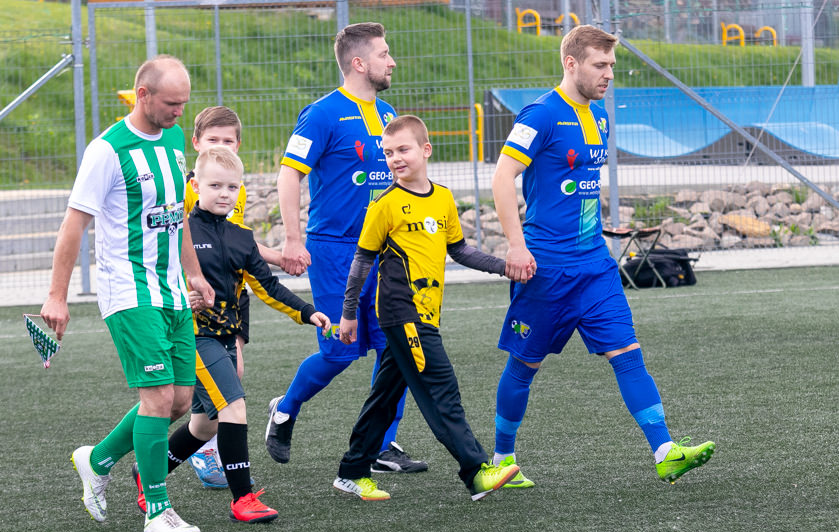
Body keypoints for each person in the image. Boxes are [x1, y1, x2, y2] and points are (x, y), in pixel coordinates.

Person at [490, 25, 715, 488]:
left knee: (628, 354)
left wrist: (600, 225)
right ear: (571, 63)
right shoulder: (541, 114)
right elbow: (502, 178)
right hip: (546, 269)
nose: (609, 73)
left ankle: (665, 451)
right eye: (600, 64)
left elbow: (581, 187)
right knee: (523, 366)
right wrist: (516, 244)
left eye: (612, 65)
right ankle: (501, 459)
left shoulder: (601, 116)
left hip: (595, 265)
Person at [40, 55, 214, 532]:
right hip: (129, 291)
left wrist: (195, 274)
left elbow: (174, 216)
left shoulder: (175, 139)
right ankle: (157, 511)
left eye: (184, 102)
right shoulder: (107, 151)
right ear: (143, 95)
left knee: (180, 402)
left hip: (174, 292)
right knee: (157, 397)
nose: (181, 111)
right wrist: (57, 296)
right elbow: (73, 225)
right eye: (171, 102)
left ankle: (95, 461)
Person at [132, 145, 331, 523]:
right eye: (215, 185)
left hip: (225, 338)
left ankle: (147, 472)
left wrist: (308, 312)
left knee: (204, 424)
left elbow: (268, 287)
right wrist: (181, 298)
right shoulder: (179, 232)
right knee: (233, 406)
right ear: (194, 186)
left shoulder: (242, 237)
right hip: (191, 336)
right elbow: (154, 278)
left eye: (232, 187)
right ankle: (242, 498)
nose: (225, 193)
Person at [267, 22, 427, 474]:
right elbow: (288, 175)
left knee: (395, 347)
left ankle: (380, 443)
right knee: (340, 350)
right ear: (359, 63)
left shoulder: (389, 112)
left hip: (387, 252)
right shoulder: (322, 114)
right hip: (336, 250)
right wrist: (294, 238)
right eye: (384, 54)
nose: (392, 61)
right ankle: (285, 408)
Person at [333, 115, 519, 501]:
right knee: (441, 387)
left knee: (385, 396)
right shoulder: (386, 205)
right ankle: (476, 471)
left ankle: (351, 471)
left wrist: (504, 266)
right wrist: (349, 313)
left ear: (425, 150)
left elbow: (460, 250)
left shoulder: (443, 198)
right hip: (403, 314)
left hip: (427, 313)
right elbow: (362, 263)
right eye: (388, 153)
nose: (395, 158)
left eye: (403, 149)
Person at [181, 106, 288, 490]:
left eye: (229, 141)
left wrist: (275, 256)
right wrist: (186, 290)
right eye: (214, 141)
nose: (222, 146)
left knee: (226, 383)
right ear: (197, 145)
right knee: (198, 395)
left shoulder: (232, 186)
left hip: (232, 296)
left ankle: (199, 447)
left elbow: (238, 241)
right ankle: (218, 462)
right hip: (195, 308)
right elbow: (175, 246)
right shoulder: (187, 194)